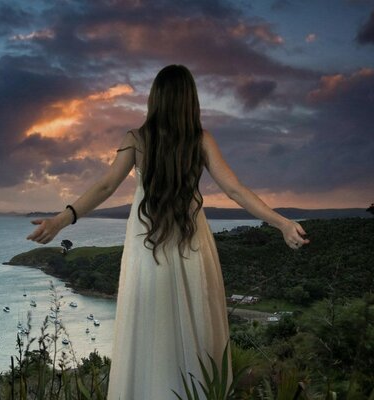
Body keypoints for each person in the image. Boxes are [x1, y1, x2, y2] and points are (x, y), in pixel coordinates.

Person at [26, 64, 310, 399]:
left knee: (150, 328)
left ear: (155, 99)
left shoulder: (137, 139)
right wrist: (282, 222)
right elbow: (236, 190)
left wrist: (60, 221)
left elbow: (104, 187)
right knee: (196, 326)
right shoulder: (200, 140)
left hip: (146, 248)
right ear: (191, 99)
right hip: (193, 245)